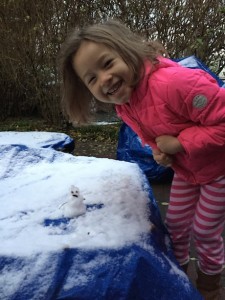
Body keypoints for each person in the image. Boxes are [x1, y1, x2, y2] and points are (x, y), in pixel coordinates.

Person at [58, 19, 225, 299]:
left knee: (205, 230)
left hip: (219, 171)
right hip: (188, 171)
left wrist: (180, 143)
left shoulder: (175, 83)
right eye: (92, 78)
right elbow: (149, 132)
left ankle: (210, 285)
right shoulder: (126, 103)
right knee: (175, 226)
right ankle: (177, 276)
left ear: (127, 51)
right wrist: (159, 151)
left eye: (108, 63)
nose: (104, 79)